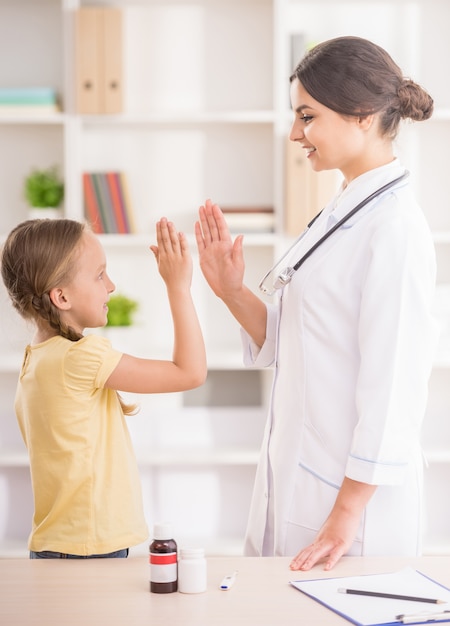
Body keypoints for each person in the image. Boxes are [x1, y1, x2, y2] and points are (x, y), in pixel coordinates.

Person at [195, 36, 437, 571]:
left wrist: (346, 511)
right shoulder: (342, 211)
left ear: (362, 115)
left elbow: (395, 386)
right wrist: (231, 289)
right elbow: (298, 340)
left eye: (307, 116)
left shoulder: (394, 228)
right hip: (303, 474)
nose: (295, 134)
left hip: (351, 511)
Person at [1, 217, 206, 559]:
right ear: (61, 296)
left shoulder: (36, 358)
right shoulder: (81, 358)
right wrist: (178, 287)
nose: (110, 285)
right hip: (88, 550)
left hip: (61, 546)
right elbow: (190, 373)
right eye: (99, 275)